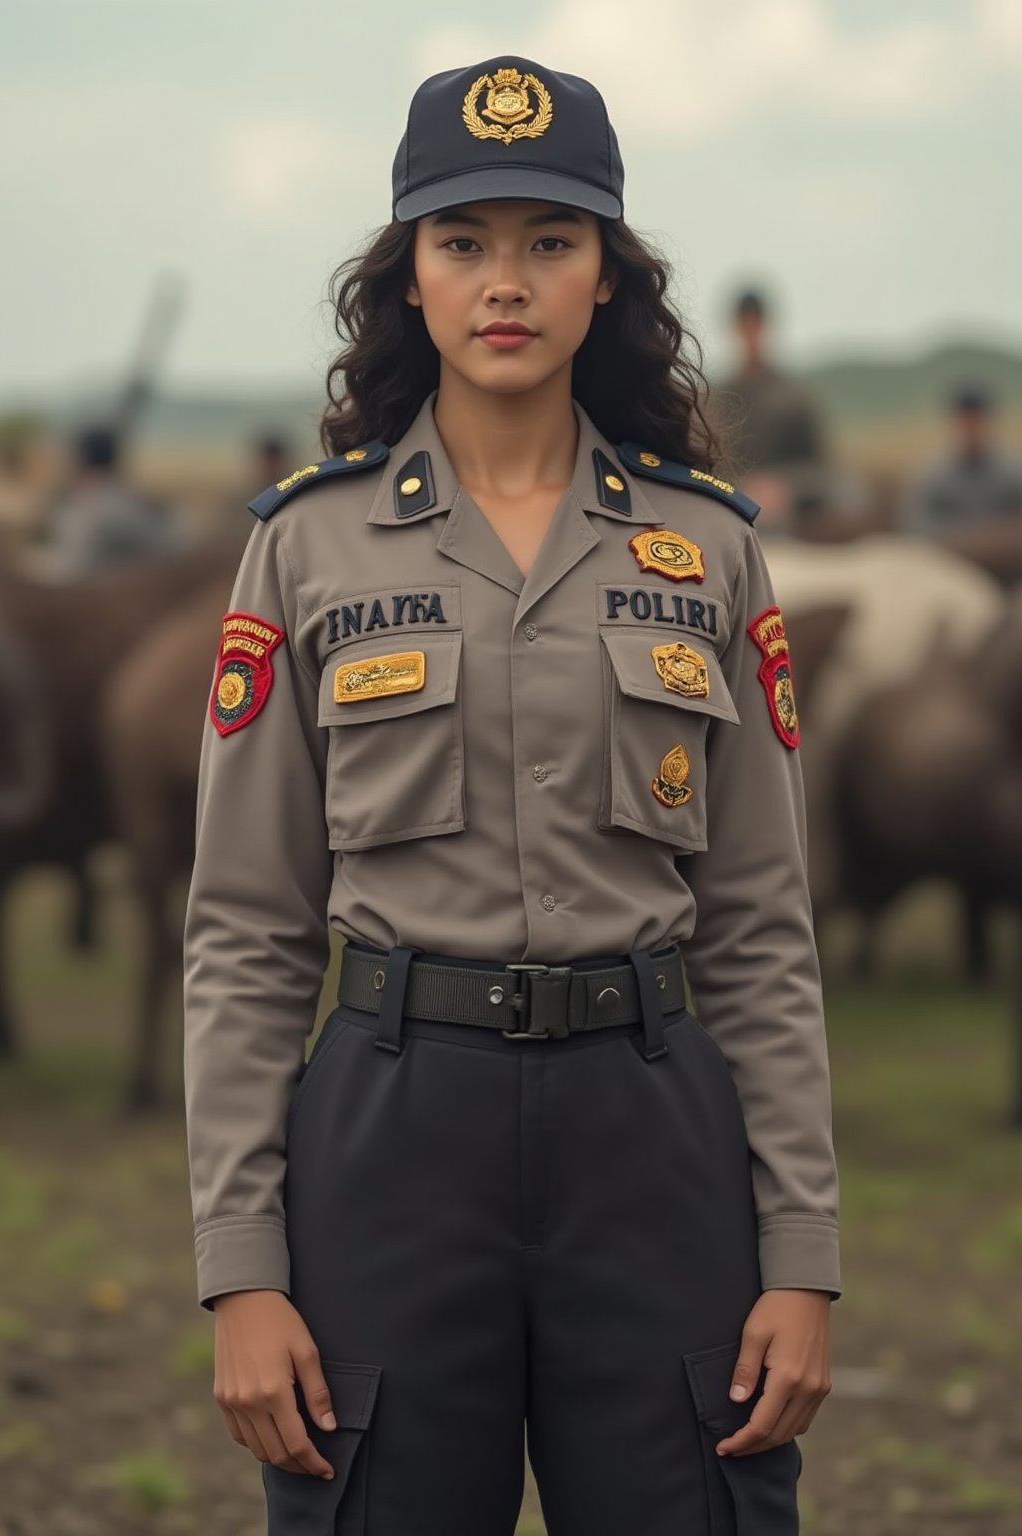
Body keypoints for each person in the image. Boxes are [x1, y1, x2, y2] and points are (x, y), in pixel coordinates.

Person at [182, 54, 840, 1536]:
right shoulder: (306, 550)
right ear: (406, 276)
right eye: (462, 241)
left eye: (552, 241)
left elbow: (757, 926)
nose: (506, 281)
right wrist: (243, 1266)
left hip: (655, 1134)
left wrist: (798, 1251)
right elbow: (243, 928)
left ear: (607, 276)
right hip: (390, 1128)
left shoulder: (710, 550)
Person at [713, 288, 829, 533]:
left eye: (756, 324)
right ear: (735, 328)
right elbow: (704, 469)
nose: (751, 333)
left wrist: (783, 487)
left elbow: (820, 470)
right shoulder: (717, 402)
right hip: (731, 517)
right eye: (745, 324)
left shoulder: (794, 397)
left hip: (789, 520)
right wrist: (743, 489)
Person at [43, 421, 183, 577]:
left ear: (78, 461)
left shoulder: (79, 508)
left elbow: (68, 566)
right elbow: (170, 548)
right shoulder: (125, 503)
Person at [902, 383, 1022, 536]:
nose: (970, 427)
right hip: (949, 556)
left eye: (976, 419)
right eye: (965, 420)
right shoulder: (933, 475)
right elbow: (916, 525)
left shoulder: (1013, 470)